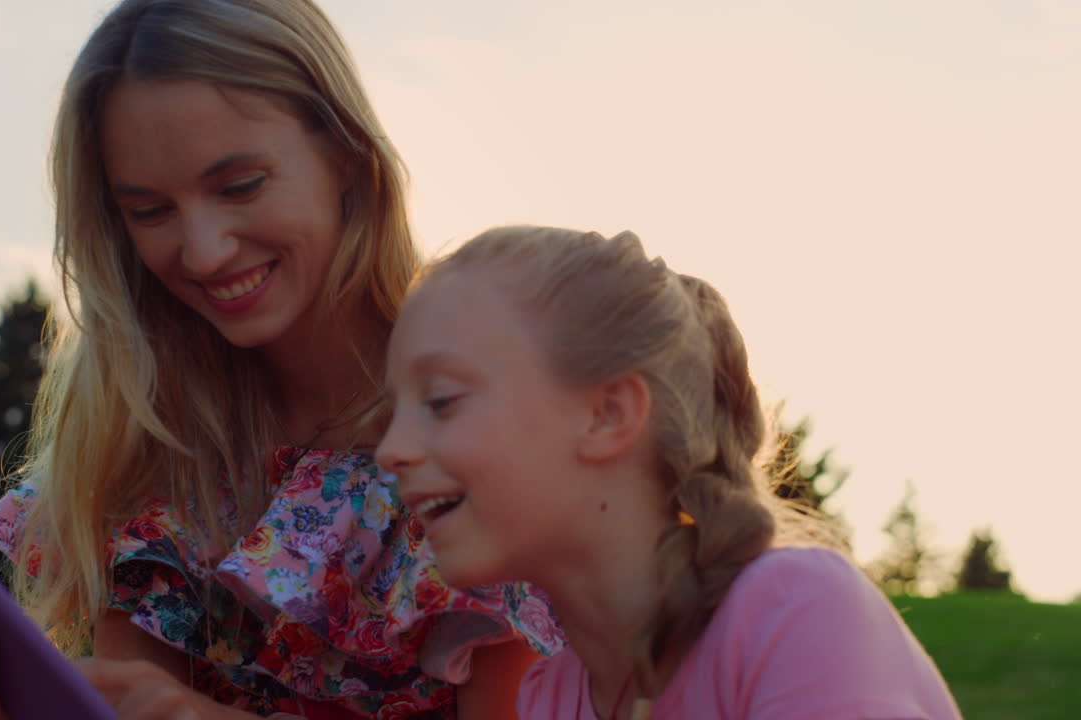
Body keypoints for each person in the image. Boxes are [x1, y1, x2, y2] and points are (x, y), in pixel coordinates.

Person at [0, 3, 561, 719]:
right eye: (150, 211)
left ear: (347, 154)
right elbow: (128, 698)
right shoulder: (146, 433)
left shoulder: (484, 422)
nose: (201, 252)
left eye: (239, 186)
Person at [376, 225, 963, 720]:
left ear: (608, 415)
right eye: (393, 410)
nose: (391, 450)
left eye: (443, 400)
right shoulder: (550, 699)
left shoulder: (794, 616)